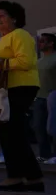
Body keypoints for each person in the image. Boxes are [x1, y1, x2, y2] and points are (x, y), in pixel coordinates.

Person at [0, 1, 43, 190]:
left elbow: (26, 62)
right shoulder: (4, 39)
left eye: (1, 16)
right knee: (10, 133)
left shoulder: (20, 35)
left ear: (14, 17)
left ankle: (21, 176)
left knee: (12, 132)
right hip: (9, 88)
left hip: (21, 86)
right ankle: (27, 176)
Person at [34, 33, 55, 164]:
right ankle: (44, 155)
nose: (40, 44)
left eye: (43, 41)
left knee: (52, 127)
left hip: (53, 97)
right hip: (39, 98)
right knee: (38, 127)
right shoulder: (39, 61)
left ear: (51, 43)